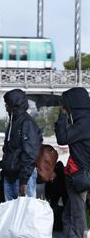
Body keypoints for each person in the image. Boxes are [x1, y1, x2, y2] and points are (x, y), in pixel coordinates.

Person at [55, 87, 90, 237]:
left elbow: (62, 138)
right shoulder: (84, 120)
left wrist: (62, 117)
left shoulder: (82, 124)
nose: (65, 108)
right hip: (84, 173)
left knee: (77, 215)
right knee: (69, 213)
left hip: (79, 174)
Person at [2, 89, 42, 200]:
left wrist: (24, 181)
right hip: (10, 175)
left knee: (26, 214)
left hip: (23, 177)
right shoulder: (12, 122)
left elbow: (31, 152)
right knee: (11, 214)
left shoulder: (27, 123)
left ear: (14, 105)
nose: (5, 107)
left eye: (7, 104)